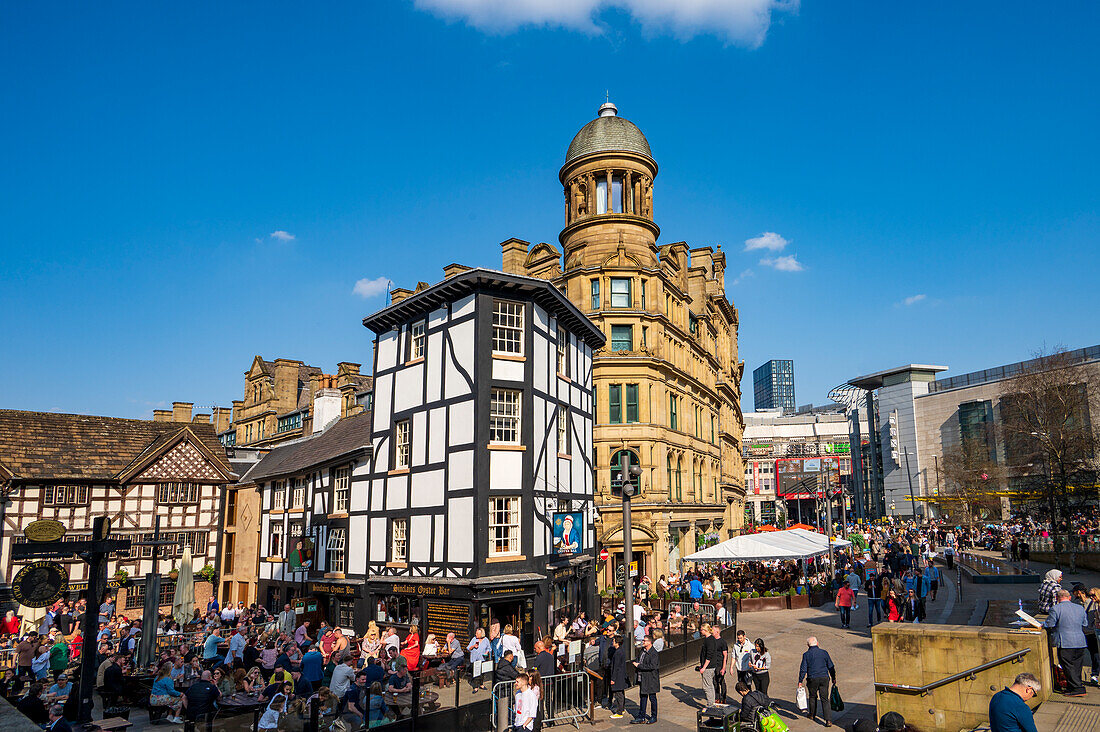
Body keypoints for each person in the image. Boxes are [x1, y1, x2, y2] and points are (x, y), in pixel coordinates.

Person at [1042, 589, 1089, 696]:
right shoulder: (1080, 608)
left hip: (1065, 642)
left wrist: (1043, 624)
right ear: (1069, 597)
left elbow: (1050, 624)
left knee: (1067, 665)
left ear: (1057, 598)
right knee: (1077, 665)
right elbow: (1084, 623)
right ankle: (1074, 686)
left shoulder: (1056, 608)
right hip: (1080, 641)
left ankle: (1078, 688)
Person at [798, 636, 836, 727]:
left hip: (812, 678)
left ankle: (812, 714)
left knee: (812, 696)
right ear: (817, 643)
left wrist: (800, 680)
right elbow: (831, 665)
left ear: (808, 645)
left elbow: (803, 669)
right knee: (825, 699)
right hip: (824, 678)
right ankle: (828, 720)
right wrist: (833, 677)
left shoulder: (806, 655)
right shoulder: (824, 653)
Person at [632, 635, 659, 724]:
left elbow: (653, 666)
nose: (643, 642)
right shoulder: (642, 651)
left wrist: (639, 665)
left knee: (652, 697)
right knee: (643, 697)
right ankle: (641, 716)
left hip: (651, 679)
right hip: (642, 678)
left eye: (644, 641)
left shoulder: (654, 653)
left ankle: (654, 716)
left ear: (649, 642)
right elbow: (639, 659)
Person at [608, 635, 627, 719]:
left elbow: (616, 667)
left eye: (614, 641)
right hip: (621, 675)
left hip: (618, 676)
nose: (612, 642)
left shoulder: (618, 653)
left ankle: (619, 712)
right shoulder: (621, 651)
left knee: (618, 694)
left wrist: (613, 679)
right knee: (621, 693)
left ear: (617, 642)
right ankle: (621, 708)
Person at [698, 624, 717, 707]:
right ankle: (712, 702)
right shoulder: (710, 639)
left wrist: (704, 667)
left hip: (708, 667)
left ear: (705, 630)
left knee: (707, 686)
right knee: (710, 685)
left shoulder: (709, 640)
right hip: (711, 666)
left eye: (701, 630)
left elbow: (709, 655)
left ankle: (710, 704)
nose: (700, 631)